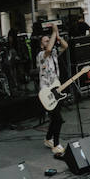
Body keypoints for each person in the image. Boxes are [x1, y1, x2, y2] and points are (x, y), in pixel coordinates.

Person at [36, 18, 68, 155]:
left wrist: (58, 36)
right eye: (45, 40)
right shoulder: (41, 55)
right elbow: (49, 48)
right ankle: (56, 145)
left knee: (55, 117)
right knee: (58, 119)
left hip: (56, 88)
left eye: (49, 39)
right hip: (46, 91)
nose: (48, 42)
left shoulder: (54, 53)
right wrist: (54, 32)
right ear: (42, 45)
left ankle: (48, 138)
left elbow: (65, 46)